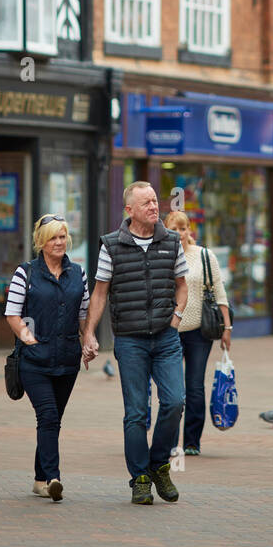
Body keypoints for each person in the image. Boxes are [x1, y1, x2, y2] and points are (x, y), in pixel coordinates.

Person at [82, 182, 188, 505]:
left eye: (155, 201)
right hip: (129, 341)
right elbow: (100, 292)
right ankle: (140, 477)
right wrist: (89, 333)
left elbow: (182, 285)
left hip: (166, 337)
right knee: (137, 413)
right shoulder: (111, 245)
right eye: (146, 203)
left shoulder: (170, 241)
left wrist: (177, 317)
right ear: (129, 210)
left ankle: (159, 464)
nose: (155, 207)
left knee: (175, 402)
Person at [4, 215, 89, 502]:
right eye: (53, 237)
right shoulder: (25, 273)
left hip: (67, 359)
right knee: (48, 416)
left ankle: (39, 479)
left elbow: (83, 315)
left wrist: (88, 339)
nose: (59, 242)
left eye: (63, 236)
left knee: (53, 420)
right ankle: (54, 478)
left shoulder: (78, 273)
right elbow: (12, 313)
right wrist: (26, 337)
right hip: (34, 361)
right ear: (41, 241)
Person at [164, 211, 231, 455]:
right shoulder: (162, 255)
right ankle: (170, 442)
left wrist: (227, 327)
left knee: (194, 386)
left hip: (199, 332)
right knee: (173, 390)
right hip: (169, 330)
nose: (179, 234)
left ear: (189, 230)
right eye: (173, 229)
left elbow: (219, 291)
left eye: (183, 229)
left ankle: (192, 442)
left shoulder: (204, 256)